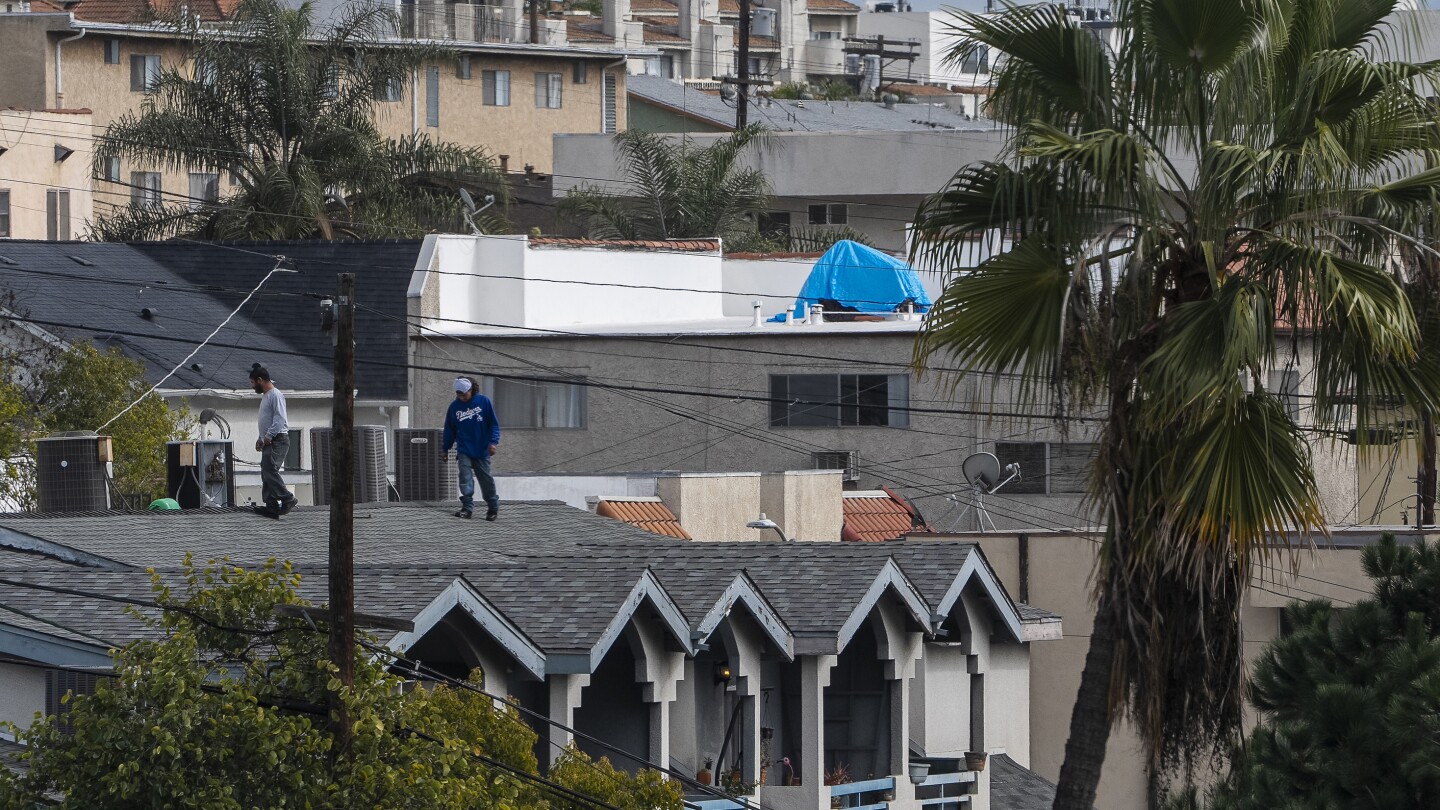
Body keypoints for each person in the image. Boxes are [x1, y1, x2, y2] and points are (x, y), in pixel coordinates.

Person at [442, 376, 501, 520]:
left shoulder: (484, 402)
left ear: (472, 390)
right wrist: (445, 448)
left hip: (482, 450)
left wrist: (493, 442)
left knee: (486, 480)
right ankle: (467, 508)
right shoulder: (454, 407)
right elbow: (449, 430)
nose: (462, 397)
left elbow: (494, 424)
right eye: (458, 394)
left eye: (464, 393)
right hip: (464, 449)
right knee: (465, 478)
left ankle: (492, 508)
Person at [250, 363, 297, 515]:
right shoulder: (266, 396)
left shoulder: (276, 395)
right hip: (269, 440)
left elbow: (279, 419)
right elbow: (267, 420)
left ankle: (287, 497)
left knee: (270, 469)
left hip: (278, 439)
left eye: (253, 383)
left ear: (260, 380)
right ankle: (271, 505)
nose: (252, 387)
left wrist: (268, 436)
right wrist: (261, 437)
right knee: (266, 471)